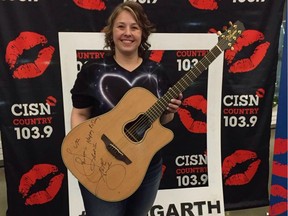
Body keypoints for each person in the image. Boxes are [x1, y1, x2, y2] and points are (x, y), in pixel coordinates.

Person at [70, 1, 182, 215]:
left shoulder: (156, 72)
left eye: (135, 27)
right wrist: (86, 151)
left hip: (146, 167)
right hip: (100, 164)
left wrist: (169, 112)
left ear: (143, 33)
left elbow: (160, 124)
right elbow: (80, 113)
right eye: (121, 26)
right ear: (111, 32)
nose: (127, 33)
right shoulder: (93, 71)